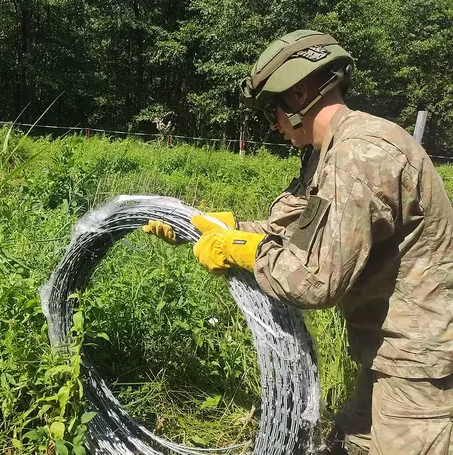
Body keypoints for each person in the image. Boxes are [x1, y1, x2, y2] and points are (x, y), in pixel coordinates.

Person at [143, 30, 453, 455]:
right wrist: (206, 225)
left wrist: (245, 252)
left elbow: (313, 281)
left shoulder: (360, 157)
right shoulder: (329, 152)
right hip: (388, 352)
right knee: (347, 444)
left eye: (273, 110)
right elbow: (286, 226)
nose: (273, 124)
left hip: (421, 365)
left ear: (301, 93)